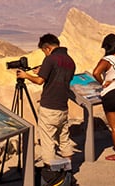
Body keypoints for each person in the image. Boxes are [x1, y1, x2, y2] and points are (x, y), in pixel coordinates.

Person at [16, 33, 76, 166]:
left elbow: (39, 81)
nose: (45, 55)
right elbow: (60, 77)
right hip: (63, 107)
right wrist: (44, 71)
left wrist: (25, 75)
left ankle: (51, 173)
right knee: (64, 139)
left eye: (44, 51)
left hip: (49, 107)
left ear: (47, 48)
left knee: (47, 141)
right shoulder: (70, 60)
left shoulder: (51, 59)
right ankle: (68, 169)